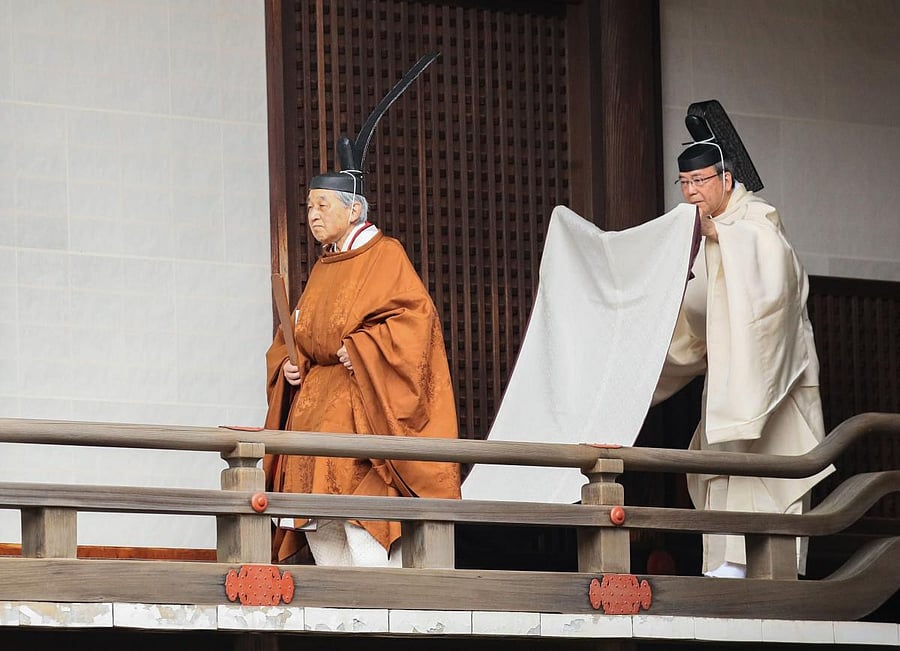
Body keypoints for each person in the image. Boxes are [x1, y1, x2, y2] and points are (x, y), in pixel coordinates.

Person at [263, 53, 461, 567]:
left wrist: (362, 347)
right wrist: (290, 361)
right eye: (307, 207)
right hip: (315, 418)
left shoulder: (385, 255)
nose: (310, 216)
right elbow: (301, 333)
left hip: (361, 412)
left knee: (363, 540)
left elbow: (414, 324)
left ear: (353, 209)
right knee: (324, 538)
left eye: (320, 207)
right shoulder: (325, 266)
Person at [653, 100, 833, 579]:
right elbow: (694, 329)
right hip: (727, 385)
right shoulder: (700, 234)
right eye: (684, 184)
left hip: (775, 388)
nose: (691, 193)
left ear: (726, 180)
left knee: (769, 473)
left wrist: (719, 236)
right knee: (726, 471)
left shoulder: (756, 222)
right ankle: (724, 568)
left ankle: (774, 574)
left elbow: (774, 274)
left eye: (700, 182)